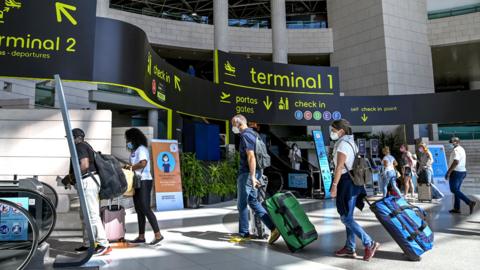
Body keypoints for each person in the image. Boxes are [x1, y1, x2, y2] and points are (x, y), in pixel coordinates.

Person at [329, 119, 380, 261]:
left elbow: (339, 167)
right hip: (354, 183)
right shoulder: (352, 143)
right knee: (348, 216)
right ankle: (350, 247)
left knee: (345, 217)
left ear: (341, 131)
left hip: (346, 183)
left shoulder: (342, 145)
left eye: (333, 130)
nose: (332, 132)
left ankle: (370, 243)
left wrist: (334, 186)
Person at [231, 114, 280, 243]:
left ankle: (244, 233)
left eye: (233, 125)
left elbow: (251, 157)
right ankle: (274, 227)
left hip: (247, 174)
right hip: (256, 172)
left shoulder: (245, 135)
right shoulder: (255, 134)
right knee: (253, 201)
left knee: (241, 204)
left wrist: (252, 176)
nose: (232, 127)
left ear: (238, 124)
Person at [70, 128, 111, 256]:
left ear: (76, 137)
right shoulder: (85, 145)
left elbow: (85, 165)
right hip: (89, 181)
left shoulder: (80, 146)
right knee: (85, 215)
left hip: (88, 181)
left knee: (92, 214)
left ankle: (103, 244)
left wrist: (75, 178)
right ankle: (88, 243)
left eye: (70, 137)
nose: (69, 140)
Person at [125, 128, 163, 245]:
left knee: (145, 208)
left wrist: (131, 167)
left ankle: (158, 234)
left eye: (128, 138)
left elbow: (143, 163)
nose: (127, 141)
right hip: (137, 181)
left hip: (144, 181)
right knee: (139, 209)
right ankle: (141, 236)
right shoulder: (134, 150)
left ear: (134, 138)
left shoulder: (142, 149)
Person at [446, 137, 477, 215]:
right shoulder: (461, 149)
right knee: (457, 190)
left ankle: (469, 202)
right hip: (462, 172)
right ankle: (457, 208)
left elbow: (456, 161)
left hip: (456, 172)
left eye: (451, 142)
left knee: (453, 189)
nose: (450, 143)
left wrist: (448, 172)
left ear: (456, 142)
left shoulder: (456, 150)